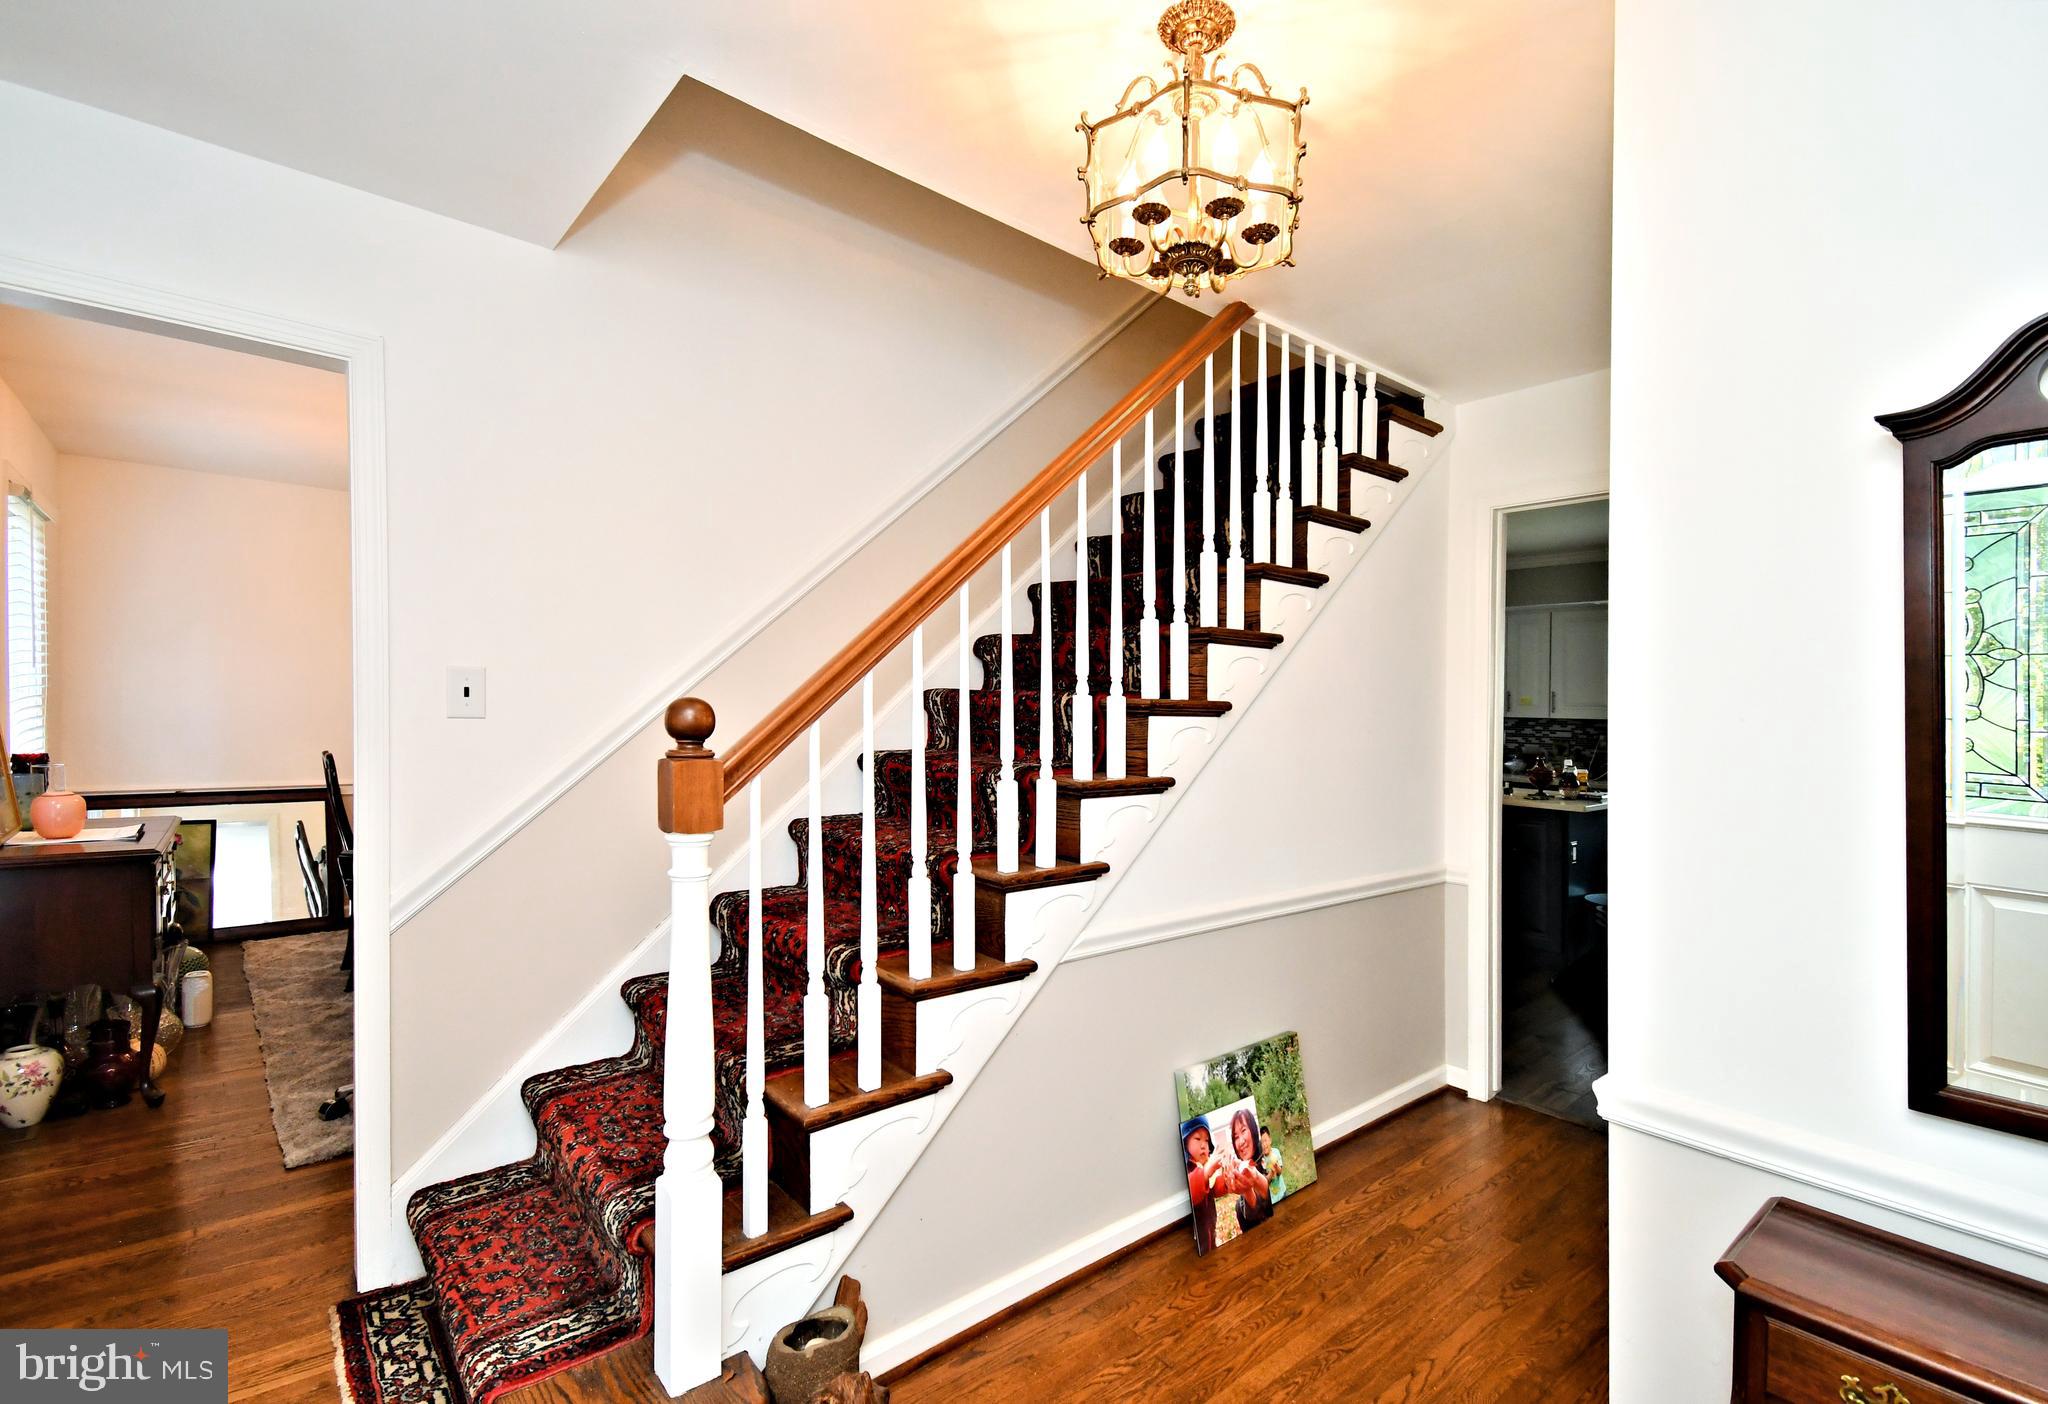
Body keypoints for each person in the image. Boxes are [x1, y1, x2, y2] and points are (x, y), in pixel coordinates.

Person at [1227, 1107, 1273, 1231]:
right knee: (1239, 1208)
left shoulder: (1268, 1155)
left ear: (1253, 1130)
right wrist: (1246, 1190)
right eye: (1236, 1137)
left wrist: (1257, 1179)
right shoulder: (1240, 1172)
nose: (1241, 1141)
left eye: (1243, 1130)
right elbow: (1252, 1216)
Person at [1182, 1120, 1219, 1254]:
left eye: (1207, 1140)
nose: (1203, 1145)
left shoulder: (1205, 1167)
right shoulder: (1189, 1170)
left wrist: (1228, 1181)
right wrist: (1205, 1173)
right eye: (1198, 1139)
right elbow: (1193, 1191)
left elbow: (1215, 1188)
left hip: (1211, 1233)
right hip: (1198, 1240)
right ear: (1185, 1143)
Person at [1259, 1123, 1288, 1202]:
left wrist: (1275, 1165)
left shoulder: (1276, 1152)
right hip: (1273, 1199)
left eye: (1265, 1140)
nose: (1264, 1144)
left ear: (1270, 1140)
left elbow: (1280, 1172)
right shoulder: (1261, 1161)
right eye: (1261, 1142)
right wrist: (1271, 1172)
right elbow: (1266, 1182)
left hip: (1283, 1192)